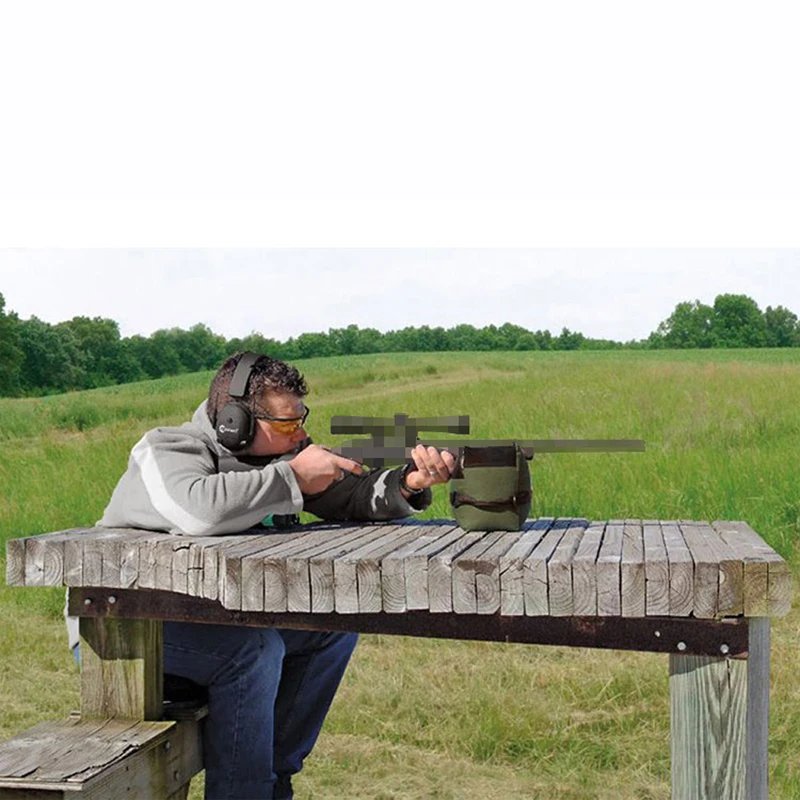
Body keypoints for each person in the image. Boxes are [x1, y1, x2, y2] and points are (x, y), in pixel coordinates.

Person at [67, 351, 454, 800]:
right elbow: (198, 510)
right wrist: (292, 476)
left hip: (210, 623)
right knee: (252, 650)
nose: (301, 434)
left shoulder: (272, 464)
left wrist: (409, 483)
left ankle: (273, 780)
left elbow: (349, 498)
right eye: (287, 425)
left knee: (331, 628)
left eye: (300, 420)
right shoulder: (165, 448)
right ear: (235, 421)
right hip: (122, 629)